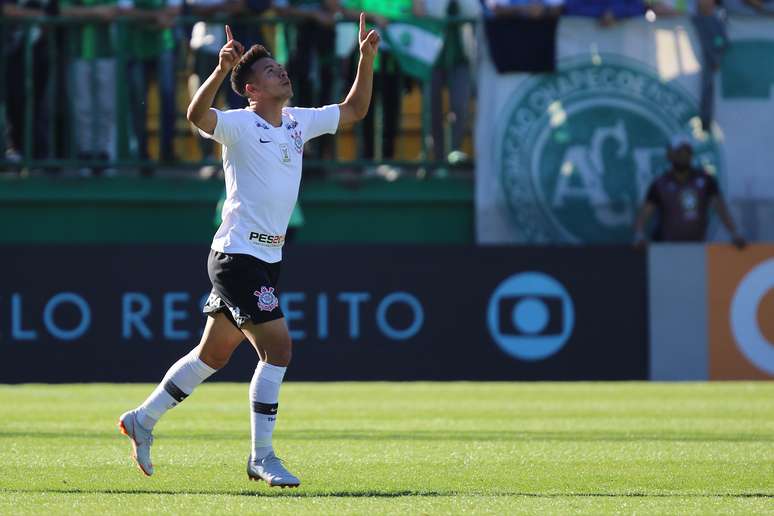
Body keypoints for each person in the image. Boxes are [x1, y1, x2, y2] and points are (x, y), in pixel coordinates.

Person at [118, 15, 379, 487]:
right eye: (270, 71)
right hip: (236, 257)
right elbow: (197, 117)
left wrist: (365, 59)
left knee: (212, 355)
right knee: (278, 348)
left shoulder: (299, 121)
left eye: (281, 67)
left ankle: (143, 418)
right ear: (250, 90)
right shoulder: (238, 124)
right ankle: (262, 457)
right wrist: (219, 72)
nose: (282, 73)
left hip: (268, 259)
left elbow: (353, 110)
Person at [633, 135, 745, 248]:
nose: (683, 156)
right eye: (679, 152)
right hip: (666, 249)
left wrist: (734, 233)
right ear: (670, 155)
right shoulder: (660, 184)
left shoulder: (705, 180)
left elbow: (721, 210)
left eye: (686, 152)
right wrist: (639, 235)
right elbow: (645, 213)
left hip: (697, 248)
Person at [60, 0, 120, 176]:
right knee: (82, 106)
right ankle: (86, 154)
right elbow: (64, 11)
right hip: (78, 52)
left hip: (106, 53)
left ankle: (104, 155)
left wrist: (81, 13)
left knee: (107, 106)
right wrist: (96, 13)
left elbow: (111, 12)